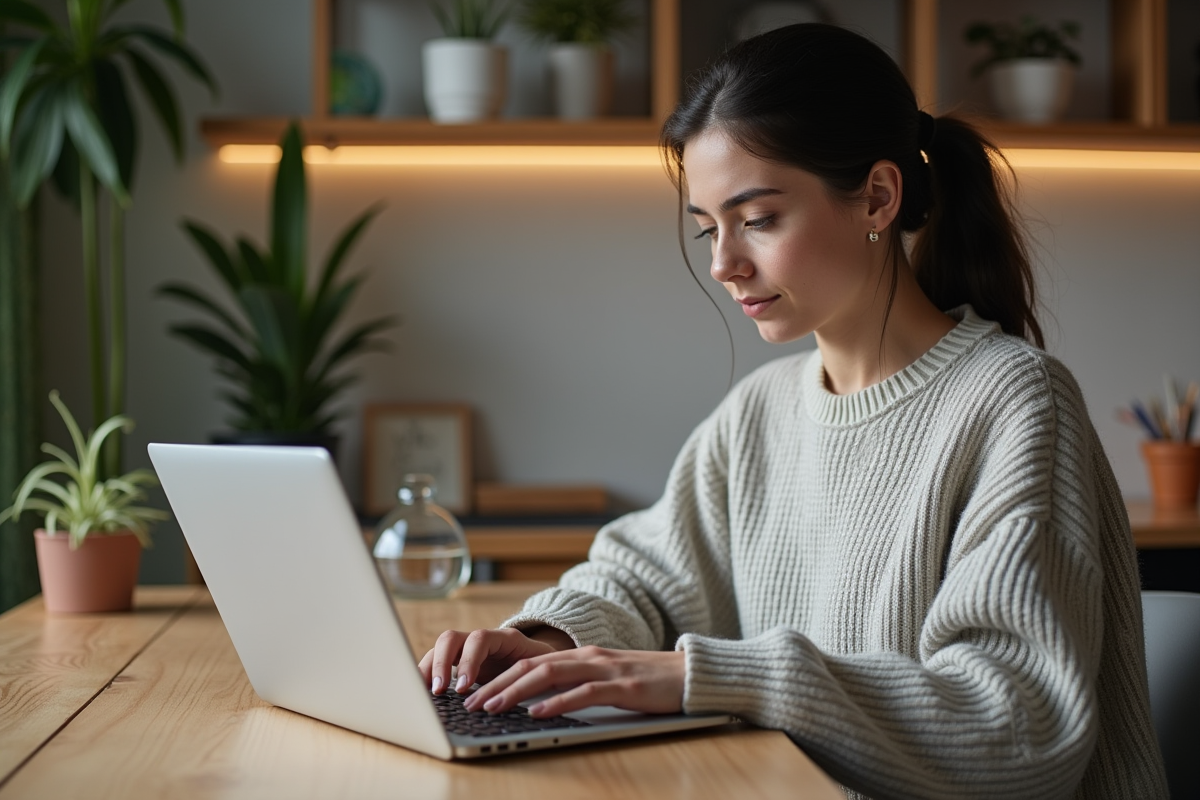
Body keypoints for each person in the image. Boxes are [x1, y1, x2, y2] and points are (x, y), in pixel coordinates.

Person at [418, 23, 1169, 800]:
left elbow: (1017, 728)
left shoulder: (1016, 403)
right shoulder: (760, 412)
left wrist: (704, 677)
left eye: (759, 219)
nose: (722, 263)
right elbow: (644, 579)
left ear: (878, 196)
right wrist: (537, 642)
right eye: (710, 227)